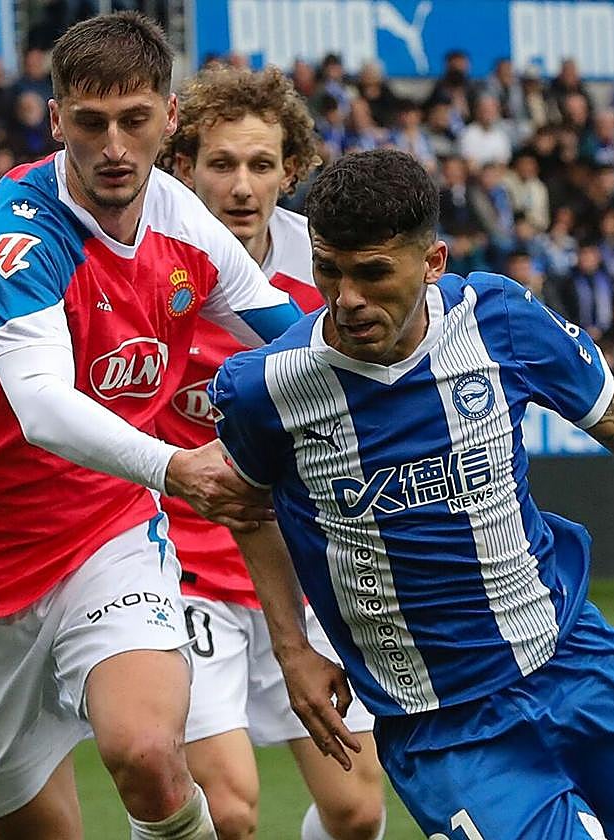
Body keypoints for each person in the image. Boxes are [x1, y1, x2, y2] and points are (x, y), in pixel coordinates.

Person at [209, 149, 614, 840]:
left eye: (373, 273)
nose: (347, 298)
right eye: (329, 270)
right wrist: (292, 648)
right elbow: (246, 508)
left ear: (432, 262)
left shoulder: (498, 319)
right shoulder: (265, 388)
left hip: (576, 660)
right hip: (443, 724)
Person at [0, 13, 302, 840]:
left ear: (169, 117)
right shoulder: (17, 233)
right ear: (57, 121)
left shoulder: (182, 220)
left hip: (108, 533)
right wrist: (176, 468)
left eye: (135, 119)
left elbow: (295, 337)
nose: (115, 146)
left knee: (150, 755)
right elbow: (43, 408)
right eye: (91, 122)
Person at [157, 64, 386, 840]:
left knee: (356, 813)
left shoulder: (325, 270)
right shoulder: (149, 259)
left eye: (261, 164)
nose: (241, 186)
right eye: (221, 163)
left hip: (301, 563)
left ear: (292, 171)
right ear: (183, 166)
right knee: (229, 810)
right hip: (182, 566)